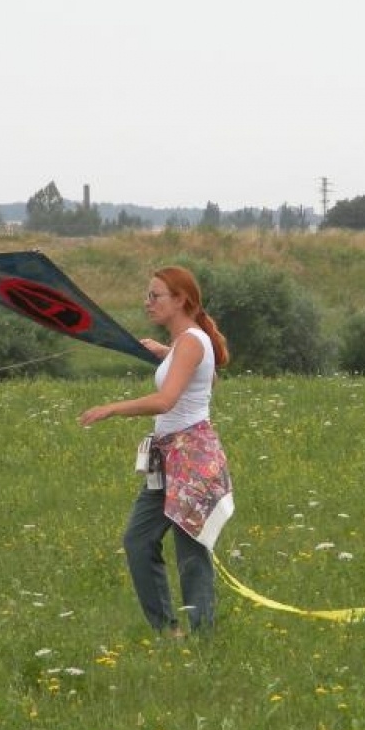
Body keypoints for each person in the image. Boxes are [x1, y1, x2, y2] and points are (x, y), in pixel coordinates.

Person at [79, 266, 235, 635]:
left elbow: (166, 401)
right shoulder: (187, 344)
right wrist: (168, 353)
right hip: (166, 457)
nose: (147, 303)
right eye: (147, 295)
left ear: (180, 300)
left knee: (190, 552)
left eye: (155, 296)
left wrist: (111, 408)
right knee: (138, 541)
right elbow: (208, 376)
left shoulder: (193, 341)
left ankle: (202, 636)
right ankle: (167, 631)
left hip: (191, 457)